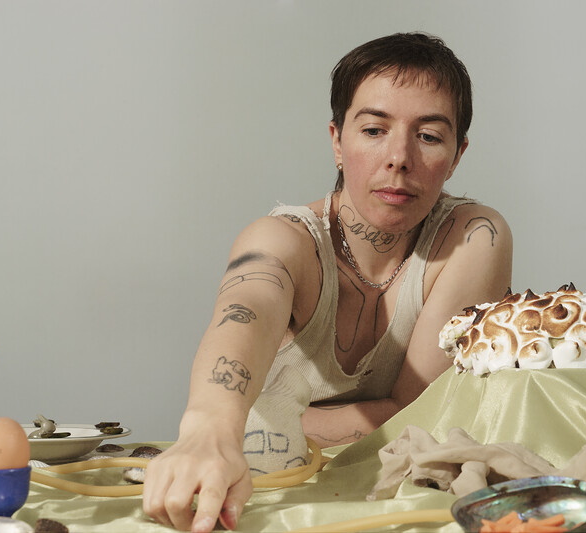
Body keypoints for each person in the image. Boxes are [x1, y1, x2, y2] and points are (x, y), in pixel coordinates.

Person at [142, 32, 512, 533]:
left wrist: (274, 423)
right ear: (337, 141)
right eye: (374, 130)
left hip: (403, 500)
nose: (399, 158)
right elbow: (244, 312)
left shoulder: (474, 237)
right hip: (262, 492)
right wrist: (210, 425)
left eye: (428, 136)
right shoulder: (284, 240)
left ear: (458, 153)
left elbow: (422, 412)